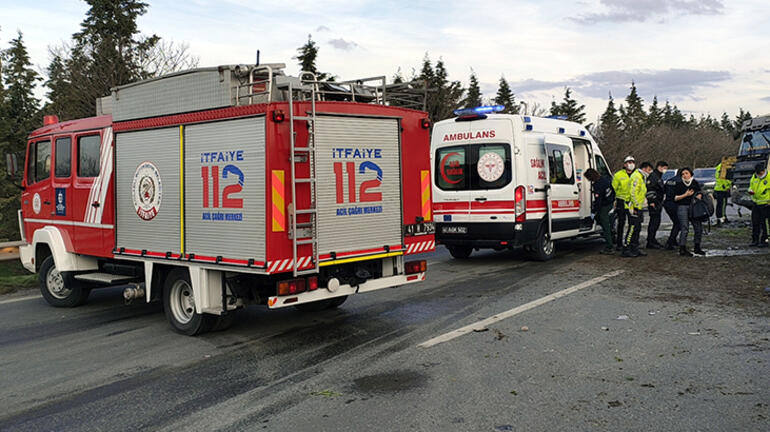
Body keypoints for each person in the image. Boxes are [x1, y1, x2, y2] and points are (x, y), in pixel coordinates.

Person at [673, 167, 705, 256]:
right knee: (684, 228)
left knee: (698, 228)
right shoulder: (679, 184)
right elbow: (675, 198)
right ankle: (682, 248)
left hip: (694, 207)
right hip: (682, 206)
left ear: (691, 174)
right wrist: (685, 195)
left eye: (686, 173)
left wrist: (699, 195)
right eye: (683, 174)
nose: (685, 175)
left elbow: (700, 192)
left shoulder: (695, 183)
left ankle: (697, 247)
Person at [585, 168, 615, 254]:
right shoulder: (605, 179)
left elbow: (598, 201)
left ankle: (609, 246)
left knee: (605, 225)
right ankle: (610, 233)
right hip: (610, 203)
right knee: (602, 221)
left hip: (604, 205)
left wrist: (593, 211)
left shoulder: (598, 185)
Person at [622, 163, 647, 257]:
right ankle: (626, 248)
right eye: (649, 170)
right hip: (633, 207)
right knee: (632, 228)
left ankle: (634, 247)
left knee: (637, 228)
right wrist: (636, 206)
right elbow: (633, 193)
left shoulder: (641, 177)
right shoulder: (636, 177)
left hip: (639, 207)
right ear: (644, 169)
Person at [612, 156, 635, 251]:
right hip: (621, 201)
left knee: (632, 223)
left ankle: (629, 242)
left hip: (632, 202)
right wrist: (614, 201)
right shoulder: (618, 175)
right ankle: (619, 243)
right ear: (624, 164)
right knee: (621, 223)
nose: (631, 164)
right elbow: (613, 188)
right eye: (629, 162)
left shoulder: (636, 174)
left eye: (632, 162)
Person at [644, 161, 666, 249]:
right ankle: (650, 241)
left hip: (658, 202)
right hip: (654, 202)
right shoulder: (653, 176)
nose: (665, 170)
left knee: (656, 222)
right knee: (654, 222)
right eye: (664, 168)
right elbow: (650, 189)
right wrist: (651, 201)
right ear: (659, 167)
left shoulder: (658, 176)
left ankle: (652, 239)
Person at [748, 163, 770, 247]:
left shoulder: (769, 177)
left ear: (763, 171)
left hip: (766, 204)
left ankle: (765, 240)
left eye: (760, 173)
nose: (759, 175)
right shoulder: (754, 177)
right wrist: (750, 190)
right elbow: (751, 186)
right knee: (755, 222)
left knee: (765, 223)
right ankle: (755, 240)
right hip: (756, 203)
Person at [663, 169, 681, 250]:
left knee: (676, 223)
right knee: (678, 224)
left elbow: (664, 191)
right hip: (675, 204)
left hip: (667, 204)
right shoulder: (681, 182)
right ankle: (670, 242)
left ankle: (673, 240)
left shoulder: (669, 180)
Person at [714, 160, 732, 225]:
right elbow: (724, 179)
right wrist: (729, 185)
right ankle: (722, 218)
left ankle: (719, 218)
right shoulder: (724, 168)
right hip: (723, 189)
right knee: (723, 204)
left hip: (719, 188)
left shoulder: (719, 167)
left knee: (720, 204)